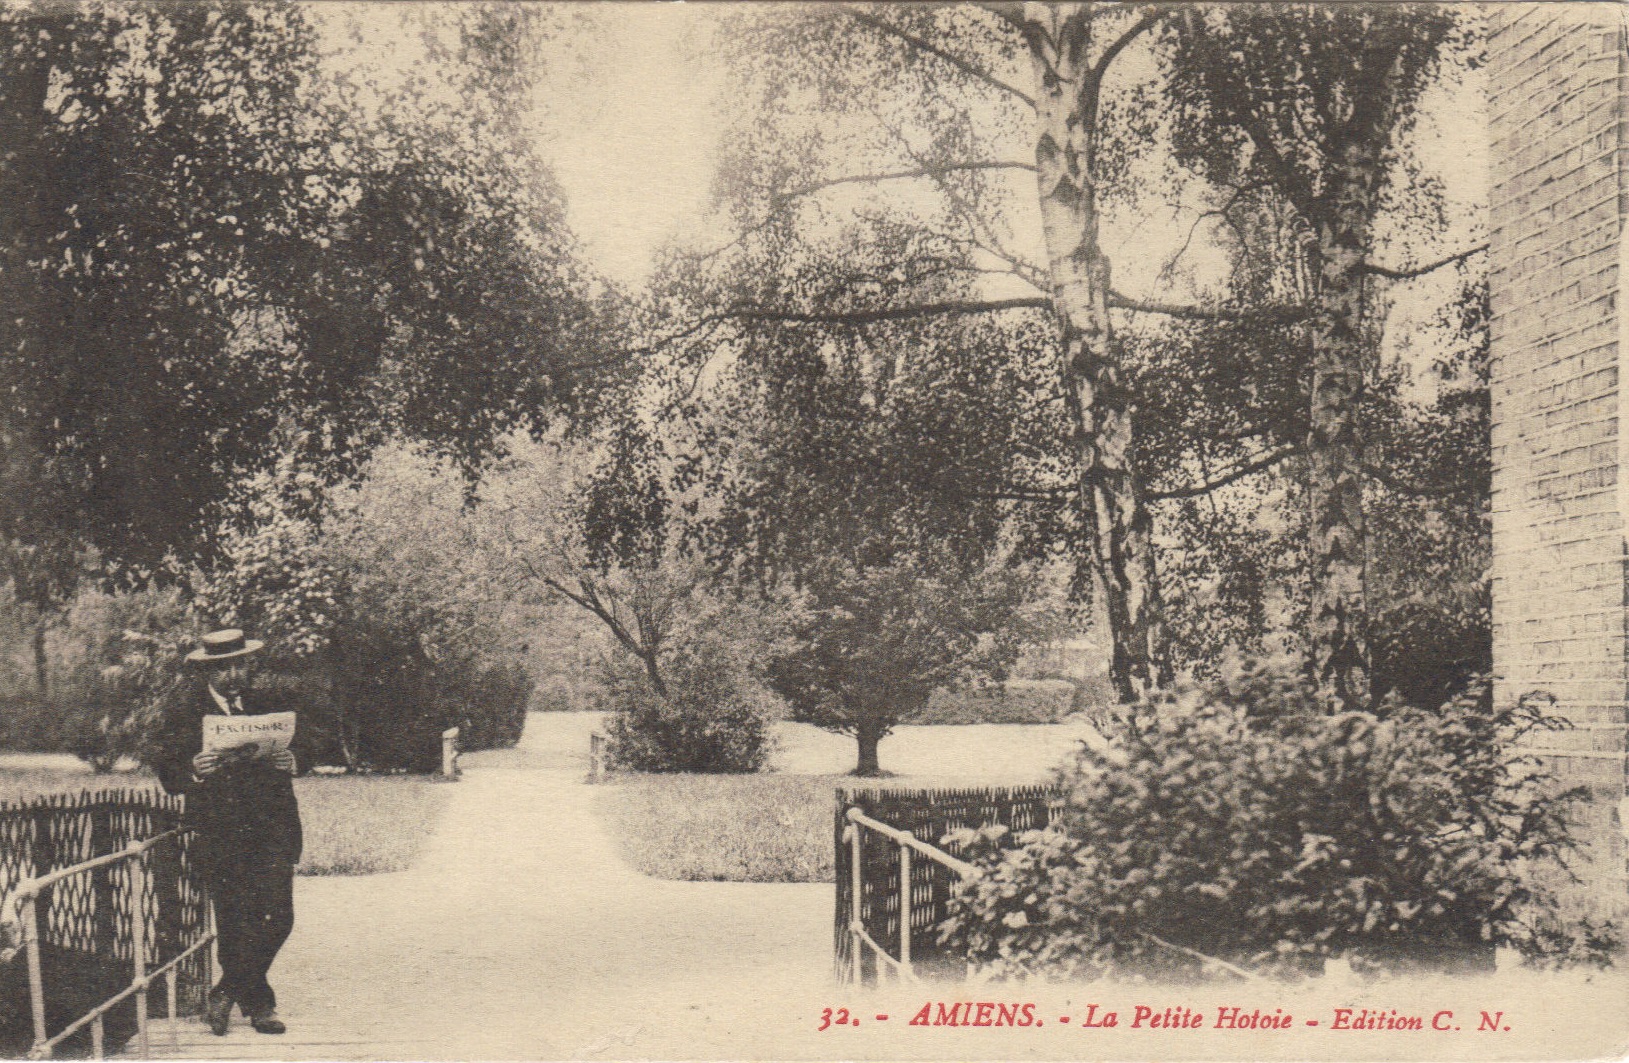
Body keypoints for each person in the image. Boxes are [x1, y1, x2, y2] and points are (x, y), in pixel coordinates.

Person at [154, 628, 302, 1036]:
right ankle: (260, 1004)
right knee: (235, 921)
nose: (234, 675)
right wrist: (192, 770)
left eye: (240, 666)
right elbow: (167, 773)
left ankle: (224, 992)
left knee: (279, 917)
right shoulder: (185, 712)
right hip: (221, 832)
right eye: (223, 669)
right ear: (207, 672)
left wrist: (294, 760)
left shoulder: (269, 705)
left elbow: (308, 744)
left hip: (273, 827)